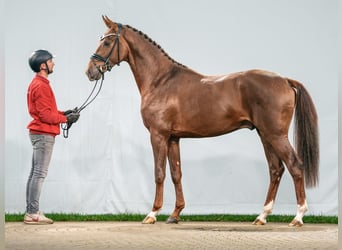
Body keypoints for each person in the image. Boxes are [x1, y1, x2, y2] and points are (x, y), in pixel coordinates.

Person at [24, 49, 80, 224]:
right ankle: (33, 213)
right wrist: (65, 119)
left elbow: (47, 111)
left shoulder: (40, 83)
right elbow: (45, 116)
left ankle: (31, 211)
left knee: (35, 173)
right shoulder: (40, 85)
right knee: (39, 174)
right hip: (43, 134)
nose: (53, 63)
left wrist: (65, 112)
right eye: (50, 61)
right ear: (43, 65)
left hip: (40, 133)